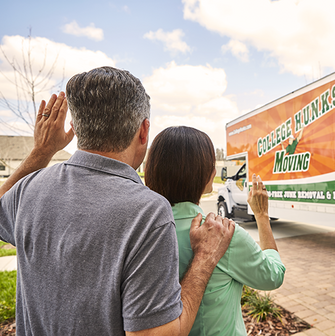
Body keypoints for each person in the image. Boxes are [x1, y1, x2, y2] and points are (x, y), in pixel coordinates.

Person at [0, 67, 235, 336]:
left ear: (75, 128)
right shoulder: (147, 212)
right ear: (144, 131)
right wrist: (205, 258)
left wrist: (42, 151)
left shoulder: (28, 189)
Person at [144, 126, 286, 336]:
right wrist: (262, 216)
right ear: (206, 175)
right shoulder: (223, 234)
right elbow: (274, 276)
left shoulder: (141, 233)